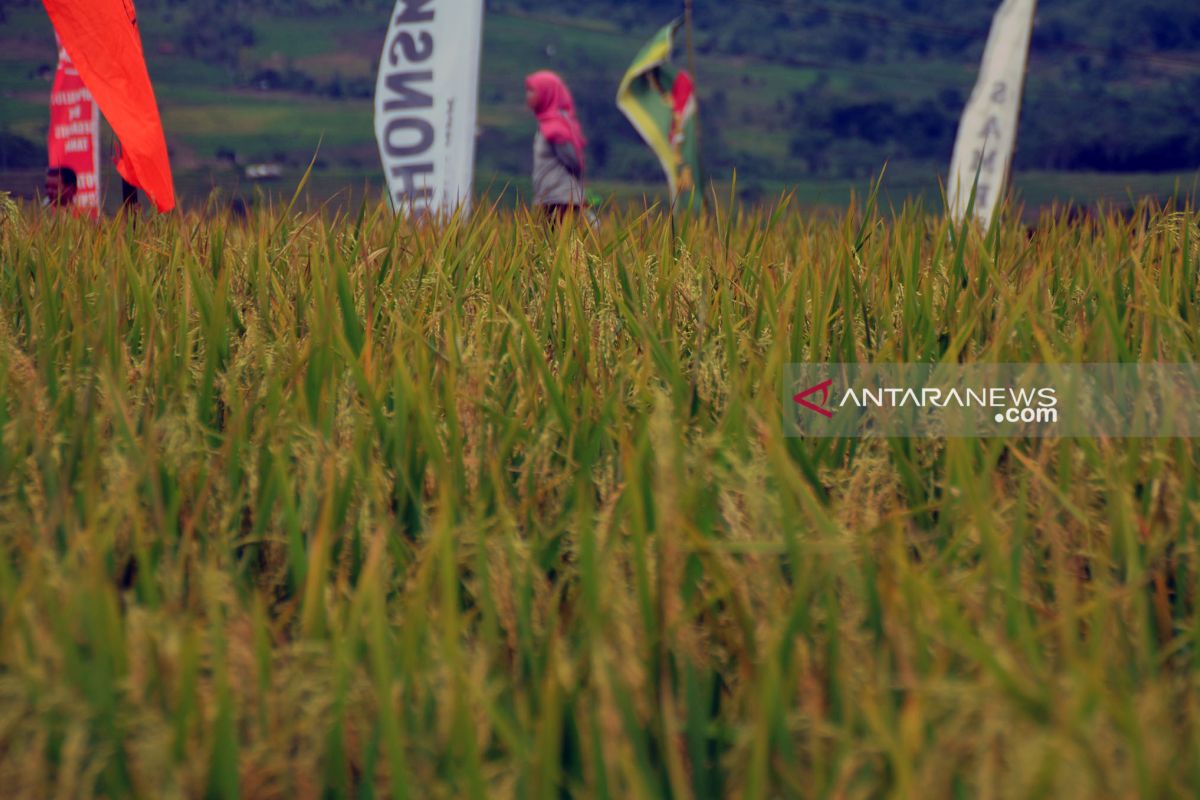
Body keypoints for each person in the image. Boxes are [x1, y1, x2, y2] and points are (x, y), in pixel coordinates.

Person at [525, 70, 588, 224]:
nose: (528, 95)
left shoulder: (555, 127)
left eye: (532, 91)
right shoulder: (548, 124)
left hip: (560, 200)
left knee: (556, 244)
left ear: (546, 94)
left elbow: (573, 161)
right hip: (548, 198)